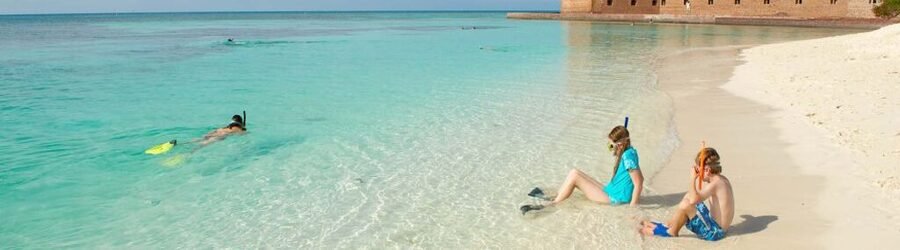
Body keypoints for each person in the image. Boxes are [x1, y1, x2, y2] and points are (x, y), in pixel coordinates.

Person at [521, 125, 644, 213]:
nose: (610, 148)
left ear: (621, 144)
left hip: (614, 199)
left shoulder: (628, 157)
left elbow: (639, 182)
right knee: (574, 172)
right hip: (611, 191)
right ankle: (558, 196)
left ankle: (553, 204)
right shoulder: (629, 152)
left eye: (611, 145)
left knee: (575, 177)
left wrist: (632, 209)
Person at [640, 147, 734, 241]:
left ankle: (672, 232)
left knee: (686, 204)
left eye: (698, 169)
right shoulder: (721, 179)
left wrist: (692, 178)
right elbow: (694, 196)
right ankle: (670, 224)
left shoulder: (714, 184)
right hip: (716, 226)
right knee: (688, 196)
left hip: (715, 233)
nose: (697, 173)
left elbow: (693, 200)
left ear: (707, 170)